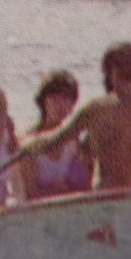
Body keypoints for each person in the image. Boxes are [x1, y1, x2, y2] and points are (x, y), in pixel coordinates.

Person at [22, 41, 131, 190]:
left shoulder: (98, 109)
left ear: (113, 72)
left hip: (108, 199)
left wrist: (26, 143)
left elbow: (53, 142)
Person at [17, 70, 94, 202]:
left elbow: (85, 185)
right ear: (43, 101)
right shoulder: (27, 142)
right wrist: (62, 189)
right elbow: (30, 193)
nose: (61, 105)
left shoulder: (73, 140)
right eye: (55, 98)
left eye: (66, 99)